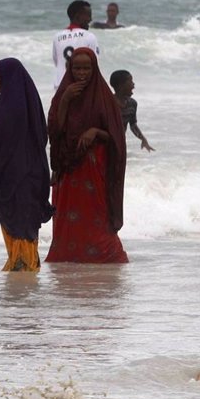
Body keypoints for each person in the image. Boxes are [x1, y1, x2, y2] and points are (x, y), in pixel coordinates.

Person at [45, 48, 128, 264]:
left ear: (94, 69)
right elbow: (55, 130)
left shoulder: (104, 97)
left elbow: (116, 137)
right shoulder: (63, 94)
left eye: (86, 68)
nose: (82, 73)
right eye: (77, 68)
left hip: (95, 167)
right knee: (70, 213)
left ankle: (104, 254)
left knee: (97, 212)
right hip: (69, 167)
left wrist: (95, 132)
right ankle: (68, 255)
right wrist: (65, 100)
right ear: (70, 69)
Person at [0, 59, 54, 272]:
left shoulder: (11, 109)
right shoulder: (25, 104)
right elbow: (16, 142)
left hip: (20, 179)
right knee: (24, 227)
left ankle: (23, 272)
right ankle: (25, 268)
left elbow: (11, 145)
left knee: (20, 227)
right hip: (30, 174)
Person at [51, 0, 101, 90]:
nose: (90, 19)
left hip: (60, 86)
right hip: (81, 86)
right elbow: (94, 63)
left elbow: (56, 61)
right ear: (78, 16)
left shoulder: (57, 37)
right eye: (88, 15)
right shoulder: (89, 36)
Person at [109, 69, 155, 152]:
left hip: (121, 144)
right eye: (130, 82)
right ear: (120, 86)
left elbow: (133, 125)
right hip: (105, 144)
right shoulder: (108, 103)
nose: (133, 85)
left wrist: (143, 139)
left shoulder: (132, 104)